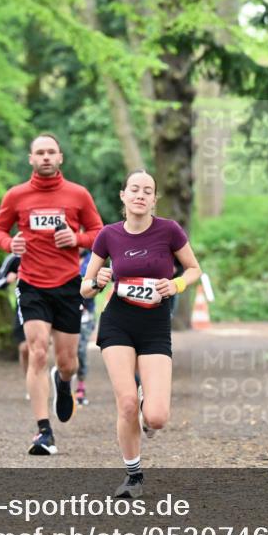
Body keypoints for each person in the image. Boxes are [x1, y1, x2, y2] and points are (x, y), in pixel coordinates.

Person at [81, 169, 202, 498]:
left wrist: (174, 284)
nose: (140, 195)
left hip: (155, 326)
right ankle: (133, 475)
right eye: (134, 189)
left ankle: (150, 409)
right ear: (123, 195)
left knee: (157, 417)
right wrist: (97, 282)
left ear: (154, 199)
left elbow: (194, 269)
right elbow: (85, 288)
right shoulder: (108, 235)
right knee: (127, 402)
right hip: (117, 322)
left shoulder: (169, 231)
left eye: (147, 191)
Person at [0, 133, 104, 455]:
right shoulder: (16, 196)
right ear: (31, 159)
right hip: (32, 284)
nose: (45, 157)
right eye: (39, 153)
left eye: (50, 152)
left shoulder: (78, 195)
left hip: (68, 285)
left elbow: (99, 234)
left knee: (67, 362)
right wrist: (8, 244)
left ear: (60, 157)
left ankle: (63, 382)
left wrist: (77, 239)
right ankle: (43, 432)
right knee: (37, 350)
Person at [0, 253, 29, 394]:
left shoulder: (49, 250)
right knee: (24, 349)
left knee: (39, 349)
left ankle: (42, 381)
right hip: (22, 308)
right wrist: (8, 280)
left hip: (49, 306)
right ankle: (30, 383)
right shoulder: (15, 257)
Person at [76, 249, 96, 406]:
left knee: (80, 350)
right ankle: (62, 386)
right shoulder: (61, 256)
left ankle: (80, 386)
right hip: (64, 310)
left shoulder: (93, 259)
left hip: (85, 313)